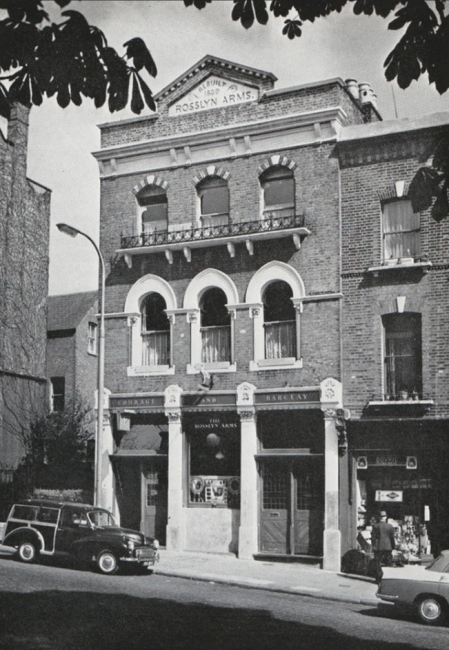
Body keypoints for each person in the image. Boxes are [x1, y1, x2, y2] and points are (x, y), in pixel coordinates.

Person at [371, 510, 396, 583]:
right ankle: (388, 579)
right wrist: (393, 547)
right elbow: (392, 538)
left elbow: (373, 538)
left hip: (379, 547)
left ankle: (378, 579)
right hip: (388, 547)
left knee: (377, 563)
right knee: (388, 563)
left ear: (379, 517)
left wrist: (373, 546)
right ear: (386, 517)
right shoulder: (390, 526)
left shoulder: (375, 526)